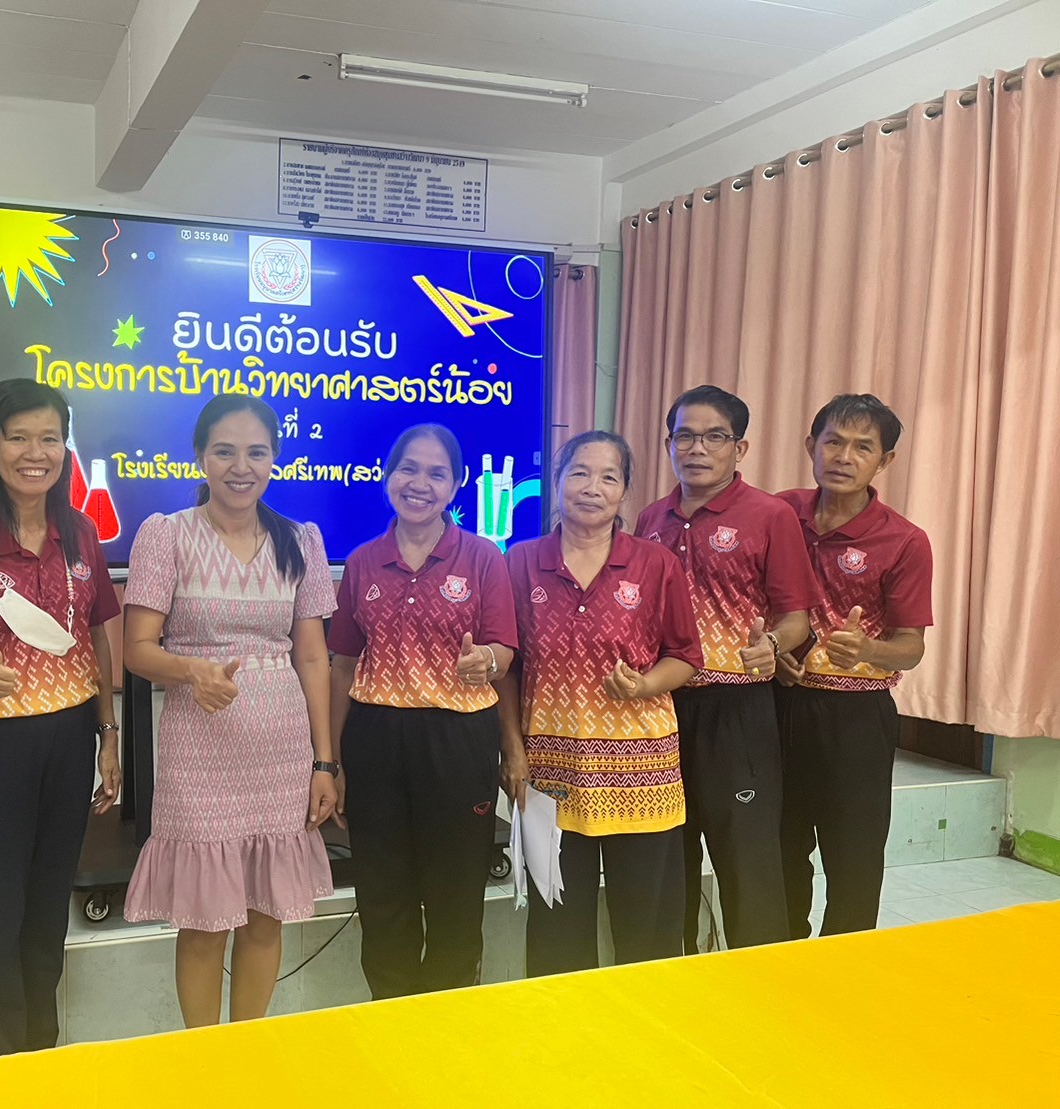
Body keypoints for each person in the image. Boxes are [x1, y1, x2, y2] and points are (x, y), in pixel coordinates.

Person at [121, 394, 337, 1027]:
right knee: (204, 921)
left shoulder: (300, 541)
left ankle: (246, 1052)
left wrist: (324, 762)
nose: (241, 467)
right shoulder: (166, 535)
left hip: (281, 751)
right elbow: (137, 649)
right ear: (200, 457)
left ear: (274, 459)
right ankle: (203, 1059)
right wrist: (192, 671)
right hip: (199, 747)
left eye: (256, 453)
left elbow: (313, 657)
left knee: (266, 915)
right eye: (224, 451)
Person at [0, 378, 122, 1059]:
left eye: (49, 438)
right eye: (18, 438)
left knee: (44, 916)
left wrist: (108, 733)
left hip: (68, 741)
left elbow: (97, 635)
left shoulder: (80, 532)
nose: (36, 453)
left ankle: (39, 1061)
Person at [501, 432, 702, 974]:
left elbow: (686, 656)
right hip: (552, 773)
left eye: (609, 477)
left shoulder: (656, 564)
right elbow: (509, 668)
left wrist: (644, 685)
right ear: (557, 482)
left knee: (648, 927)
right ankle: (564, 1021)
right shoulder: (521, 562)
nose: (592, 487)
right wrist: (513, 751)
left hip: (643, 773)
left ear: (625, 492)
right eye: (579, 473)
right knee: (557, 930)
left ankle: (648, 1018)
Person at [329, 423, 518, 999]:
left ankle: (448, 1020)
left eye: (437, 473)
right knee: (382, 891)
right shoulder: (362, 562)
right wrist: (331, 761)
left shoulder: (483, 557)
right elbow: (342, 665)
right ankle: (392, 1015)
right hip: (375, 738)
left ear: (457, 485)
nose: (420, 483)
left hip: (458, 738)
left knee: (455, 891)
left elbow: (504, 652)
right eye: (408, 468)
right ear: (388, 476)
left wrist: (485, 661)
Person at [635, 385, 818, 952]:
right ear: (669, 444)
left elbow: (796, 617)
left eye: (714, 437)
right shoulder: (650, 519)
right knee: (668, 856)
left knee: (747, 858)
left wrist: (773, 647)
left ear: (740, 449)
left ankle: (755, 979)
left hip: (737, 709)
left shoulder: (770, 516)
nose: (697, 448)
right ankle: (675, 971)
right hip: (661, 710)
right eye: (685, 436)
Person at [776, 394, 933, 937]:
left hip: (856, 717)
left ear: (884, 460)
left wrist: (867, 650)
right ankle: (783, 957)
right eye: (833, 442)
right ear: (811, 446)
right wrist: (773, 654)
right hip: (776, 705)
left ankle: (845, 965)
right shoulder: (779, 515)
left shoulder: (904, 540)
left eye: (863, 447)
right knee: (778, 848)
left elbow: (911, 646)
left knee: (854, 857)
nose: (844, 457)